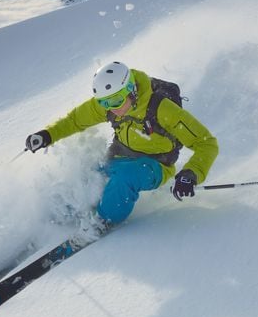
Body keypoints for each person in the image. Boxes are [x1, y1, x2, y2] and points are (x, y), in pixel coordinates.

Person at [25, 61, 218, 233]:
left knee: (125, 179)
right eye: (104, 102)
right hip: (119, 157)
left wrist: (190, 174)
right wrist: (48, 134)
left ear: (131, 90)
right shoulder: (110, 104)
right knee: (91, 178)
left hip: (155, 165)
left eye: (116, 101)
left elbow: (206, 143)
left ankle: (103, 221)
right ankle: (58, 216)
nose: (112, 108)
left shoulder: (162, 109)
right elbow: (75, 120)